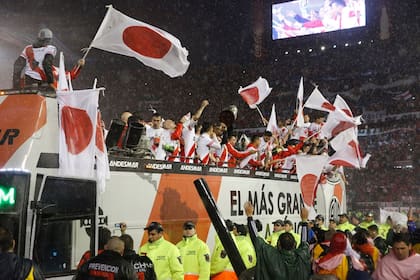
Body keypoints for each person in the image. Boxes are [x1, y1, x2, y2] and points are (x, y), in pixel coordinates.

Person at [244, 201, 311, 280]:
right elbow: (304, 243)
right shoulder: (301, 256)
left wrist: (249, 216)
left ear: (278, 244)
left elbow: (255, 238)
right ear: (295, 244)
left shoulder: (270, 255)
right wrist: (304, 221)